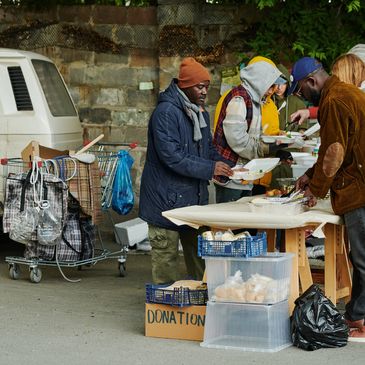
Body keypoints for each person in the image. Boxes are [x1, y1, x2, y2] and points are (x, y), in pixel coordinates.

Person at [289, 56, 365, 341]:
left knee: (362, 258)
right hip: (359, 182)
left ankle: (358, 316)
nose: (301, 96)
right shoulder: (344, 92)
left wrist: (316, 190)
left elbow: (334, 153)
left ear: (311, 81)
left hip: (359, 188)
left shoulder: (334, 100)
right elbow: (333, 147)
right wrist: (311, 174)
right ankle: (357, 312)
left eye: (300, 90)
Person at [139, 57, 233, 284]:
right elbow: (172, 157)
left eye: (206, 87)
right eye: (199, 87)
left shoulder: (200, 112)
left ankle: (199, 310)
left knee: (202, 263)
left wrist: (227, 167)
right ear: (184, 86)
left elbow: (208, 149)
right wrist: (210, 168)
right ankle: (166, 313)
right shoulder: (165, 113)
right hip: (164, 202)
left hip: (193, 203)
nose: (204, 92)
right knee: (166, 265)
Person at [213, 59, 286, 203]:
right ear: (259, 81)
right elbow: (237, 139)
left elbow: (254, 134)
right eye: (270, 86)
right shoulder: (239, 99)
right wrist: (265, 148)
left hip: (244, 173)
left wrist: (273, 149)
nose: (272, 90)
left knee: (243, 222)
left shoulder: (255, 99)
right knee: (230, 222)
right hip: (230, 174)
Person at [274, 64, 308, 132]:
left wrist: (301, 133)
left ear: (288, 84)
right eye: (276, 83)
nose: (279, 87)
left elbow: (303, 128)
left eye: (283, 83)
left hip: (291, 141)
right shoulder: (266, 102)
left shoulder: (298, 103)